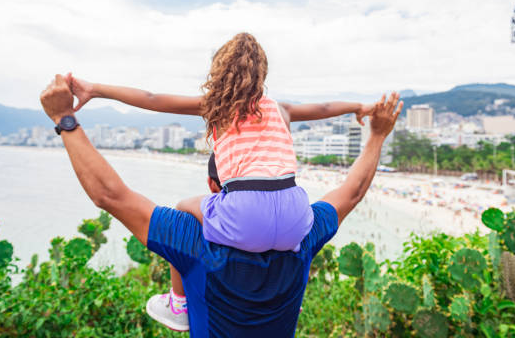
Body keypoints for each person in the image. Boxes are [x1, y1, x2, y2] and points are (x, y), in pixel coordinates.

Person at [40, 74, 402, 337]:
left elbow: (110, 195)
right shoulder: (303, 230)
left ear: (214, 186)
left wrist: (64, 119)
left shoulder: (193, 239)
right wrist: (377, 135)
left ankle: (175, 302)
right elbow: (352, 191)